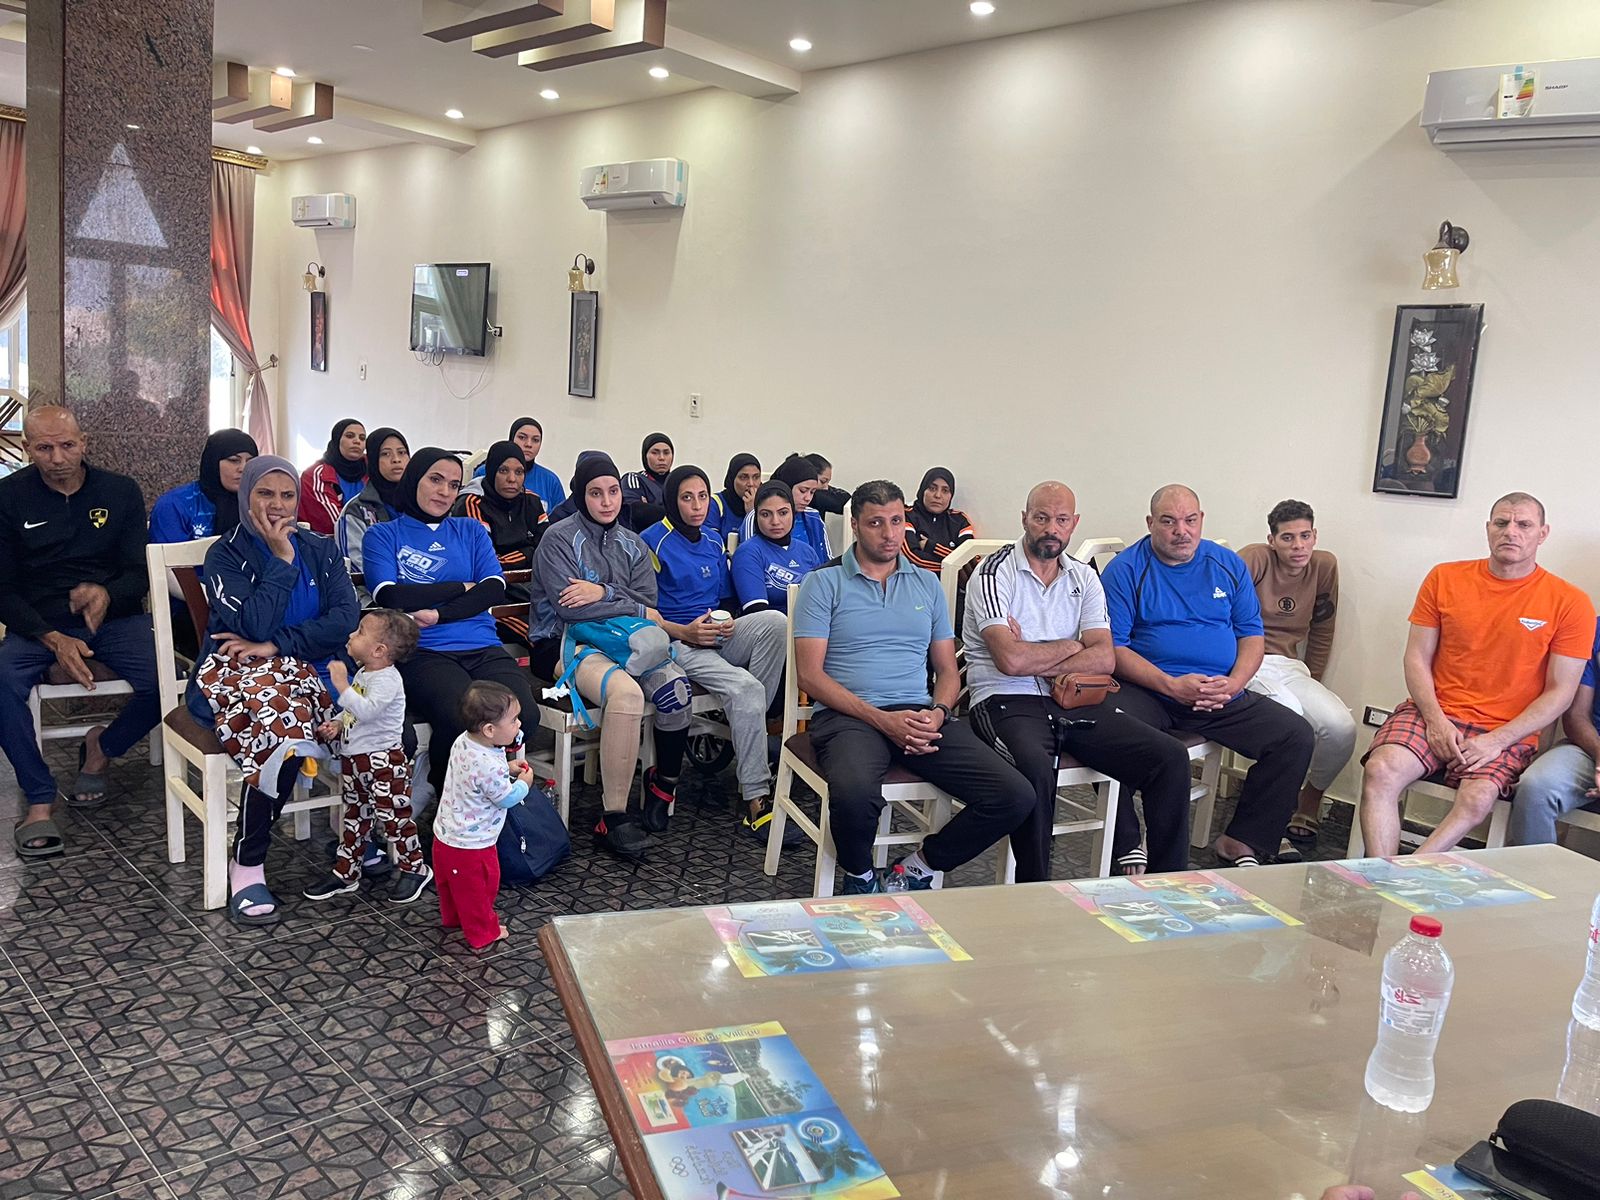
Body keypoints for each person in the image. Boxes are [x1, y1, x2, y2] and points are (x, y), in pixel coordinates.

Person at [792, 480, 1034, 894]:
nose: (889, 534)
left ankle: (918, 868)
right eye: (875, 523)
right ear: (855, 526)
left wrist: (938, 713)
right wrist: (882, 720)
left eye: (896, 522)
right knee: (854, 794)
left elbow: (948, 671)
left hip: (919, 714)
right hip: (848, 714)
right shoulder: (824, 583)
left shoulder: (926, 584)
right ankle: (860, 876)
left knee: (1014, 795)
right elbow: (809, 676)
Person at [965, 482, 1194, 880]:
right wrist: (1074, 646)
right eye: (1041, 518)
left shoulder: (1084, 577)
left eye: (1061, 520)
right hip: (1003, 699)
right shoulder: (993, 572)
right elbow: (1010, 661)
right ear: (1024, 519)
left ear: (1074, 523)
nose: (1051, 529)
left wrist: (1037, 650)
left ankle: (1170, 883)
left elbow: (1105, 658)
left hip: (1073, 698)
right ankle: (1034, 889)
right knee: (1036, 768)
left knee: (1170, 757)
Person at [1361, 492, 1592, 857]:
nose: (1510, 532)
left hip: (1506, 729)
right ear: (1488, 528)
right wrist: (1436, 722)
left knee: (1477, 798)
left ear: (1542, 533)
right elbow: (1416, 658)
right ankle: (1380, 872)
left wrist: (1497, 740)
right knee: (1381, 770)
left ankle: (1405, 874)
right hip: (1433, 712)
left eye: (1524, 524)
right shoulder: (1444, 577)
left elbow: (1561, 692)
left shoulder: (1570, 602)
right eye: (1501, 523)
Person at [1102, 484, 1314, 868]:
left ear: (1201, 520)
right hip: (1149, 690)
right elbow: (1113, 649)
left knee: (1294, 735)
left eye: (1190, 520)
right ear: (1150, 523)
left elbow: (1251, 634)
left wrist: (1234, 684)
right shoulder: (1126, 570)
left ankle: (1242, 840)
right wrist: (1170, 685)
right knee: (1105, 728)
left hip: (1218, 692)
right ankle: (1125, 839)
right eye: (1169, 522)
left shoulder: (1227, 564)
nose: (1181, 531)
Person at [187, 455, 359, 924]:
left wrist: (278, 643)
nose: (278, 505)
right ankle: (247, 860)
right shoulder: (225, 554)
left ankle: (360, 840)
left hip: (317, 668)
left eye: (287, 495)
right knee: (283, 733)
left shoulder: (320, 549)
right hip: (241, 672)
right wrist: (281, 559)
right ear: (246, 497)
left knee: (385, 726)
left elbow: (345, 620)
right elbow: (251, 624)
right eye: (265, 493)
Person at [0, 407, 161, 859]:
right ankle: (39, 798)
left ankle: (102, 748)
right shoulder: (8, 497)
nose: (57, 458)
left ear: (84, 442)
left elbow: (139, 572)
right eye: (44, 448)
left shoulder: (120, 491)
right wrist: (52, 637)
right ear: (27, 449)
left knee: (168, 682)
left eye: (67, 445)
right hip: (38, 623)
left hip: (114, 620)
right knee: (2, 683)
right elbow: (3, 588)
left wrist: (106, 593)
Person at [531, 452, 694, 859]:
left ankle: (663, 784)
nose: (606, 501)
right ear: (581, 496)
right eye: (595, 493)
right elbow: (570, 608)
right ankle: (614, 815)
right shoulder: (558, 538)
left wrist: (602, 592)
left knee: (676, 689)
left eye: (613, 491)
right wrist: (627, 604)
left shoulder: (632, 544)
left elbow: (649, 604)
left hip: (625, 639)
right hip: (564, 641)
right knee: (627, 694)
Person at [362, 448, 534, 806]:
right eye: (435, 480)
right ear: (415, 480)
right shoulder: (383, 535)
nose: (444, 491)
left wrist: (439, 614)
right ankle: (451, 805)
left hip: (482, 645)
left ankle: (493, 799)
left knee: (524, 715)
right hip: (423, 651)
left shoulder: (470, 530)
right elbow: (391, 594)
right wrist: (462, 587)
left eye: (454, 484)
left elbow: (493, 588)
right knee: (462, 718)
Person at [641, 465, 788, 840]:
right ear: (672, 500)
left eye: (703, 496)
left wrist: (727, 622)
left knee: (775, 622)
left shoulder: (711, 540)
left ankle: (745, 721)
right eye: (687, 498)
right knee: (747, 689)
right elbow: (642, 614)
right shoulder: (652, 541)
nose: (697, 506)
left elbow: (725, 599)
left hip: (714, 633)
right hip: (677, 641)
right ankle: (756, 799)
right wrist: (685, 632)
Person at [1239, 499, 1356, 862]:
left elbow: (1322, 629)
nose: (1298, 546)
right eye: (1287, 538)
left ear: (1315, 535)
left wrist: (1314, 682)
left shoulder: (1323, 566)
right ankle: (1269, 824)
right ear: (1272, 540)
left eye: (1305, 536)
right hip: (1246, 662)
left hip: (1289, 666)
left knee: (1340, 726)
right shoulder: (1255, 558)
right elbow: (1219, 615)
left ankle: (1309, 800)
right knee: (1290, 719)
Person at [303, 609, 433, 903]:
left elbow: (368, 710)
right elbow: (354, 710)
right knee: (354, 819)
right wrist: (338, 723)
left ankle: (415, 869)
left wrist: (341, 685)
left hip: (384, 762)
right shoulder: (365, 673)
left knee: (394, 819)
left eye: (360, 632)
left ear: (379, 650)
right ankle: (346, 872)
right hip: (355, 761)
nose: (352, 635)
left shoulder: (388, 680)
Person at [435, 681, 533, 950]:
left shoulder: (465, 741)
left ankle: (454, 918)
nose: (519, 724)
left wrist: (507, 768)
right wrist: (524, 783)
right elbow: (506, 798)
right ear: (490, 729)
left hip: (446, 834)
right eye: (513, 720)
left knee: (452, 886)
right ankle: (483, 932)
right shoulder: (487, 764)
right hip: (472, 844)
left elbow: (477, 776)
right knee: (479, 890)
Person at [1511, 614, 1600, 845]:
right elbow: (1576, 716)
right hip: (1591, 748)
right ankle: (1531, 868)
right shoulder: (1594, 629)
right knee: (1535, 788)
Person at [454, 440, 548, 646]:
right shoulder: (472, 503)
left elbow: (547, 551)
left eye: (519, 472)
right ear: (491, 470)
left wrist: (529, 553)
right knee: (542, 637)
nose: (512, 479)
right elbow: (485, 563)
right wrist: (528, 551)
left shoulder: (532, 502)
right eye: (503, 471)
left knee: (566, 626)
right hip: (493, 595)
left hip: (532, 591)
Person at [148, 429, 258, 544]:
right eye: (234, 460)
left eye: (251, 462)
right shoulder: (175, 505)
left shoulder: (258, 504)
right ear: (213, 462)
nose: (243, 468)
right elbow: (169, 554)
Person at [732, 481, 824, 615]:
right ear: (756, 517)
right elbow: (757, 613)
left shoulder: (807, 551)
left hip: (810, 623)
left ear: (793, 513)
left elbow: (822, 601)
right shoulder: (748, 551)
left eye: (783, 513)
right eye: (765, 514)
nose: (775, 521)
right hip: (768, 625)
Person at [337, 426, 409, 578]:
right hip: (374, 590)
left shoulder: (421, 506)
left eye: (402, 452)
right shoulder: (356, 510)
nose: (396, 459)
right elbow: (356, 568)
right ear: (374, 460)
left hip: (424, 589)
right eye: (385, 454)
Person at [739, 454, 830, 556]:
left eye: (812, 492)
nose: (808, 498)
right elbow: (748, 555)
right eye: (803, 490)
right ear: (787, 486)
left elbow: (827, 559)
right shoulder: (754, 516)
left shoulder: (813, 516)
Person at [472, 416, 566, 510]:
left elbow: (561, 516)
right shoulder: (484, 472)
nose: (528, 444)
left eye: (535, 440)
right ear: (512, 438)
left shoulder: (551, 481)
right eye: (522, 437)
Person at [298, 418, 367, 535]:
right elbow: (335, 524)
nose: (357, 441)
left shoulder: (371, 468)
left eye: (362, 438)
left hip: (371, 537)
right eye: (350, 436)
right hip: (327, 541)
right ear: (337, 439)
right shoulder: (316, 475)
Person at [902, 467, 976, 576]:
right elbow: (913, 559)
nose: (937, 495)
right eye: (932, 488)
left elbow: (970, 562)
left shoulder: (959, 520)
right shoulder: (906, 516)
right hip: (916, 584)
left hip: (953, 586)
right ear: (923, 490)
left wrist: (932, 547)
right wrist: (955, 567)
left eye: (945, 490)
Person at [621, 431, 673, 531]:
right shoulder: (634, 479)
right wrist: (676, 514)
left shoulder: (678, 483)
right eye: (655, 453)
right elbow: (636, 511)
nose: (661, 458)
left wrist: (652, 507)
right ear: (645, 455)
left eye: (666, 453)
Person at [716, 453, 762, 543]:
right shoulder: (716, 504)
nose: (751, 483)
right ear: (732, 478)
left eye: (756, 477)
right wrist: (750, 515)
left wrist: (753, 512)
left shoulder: (766, 505)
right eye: (744, 477)